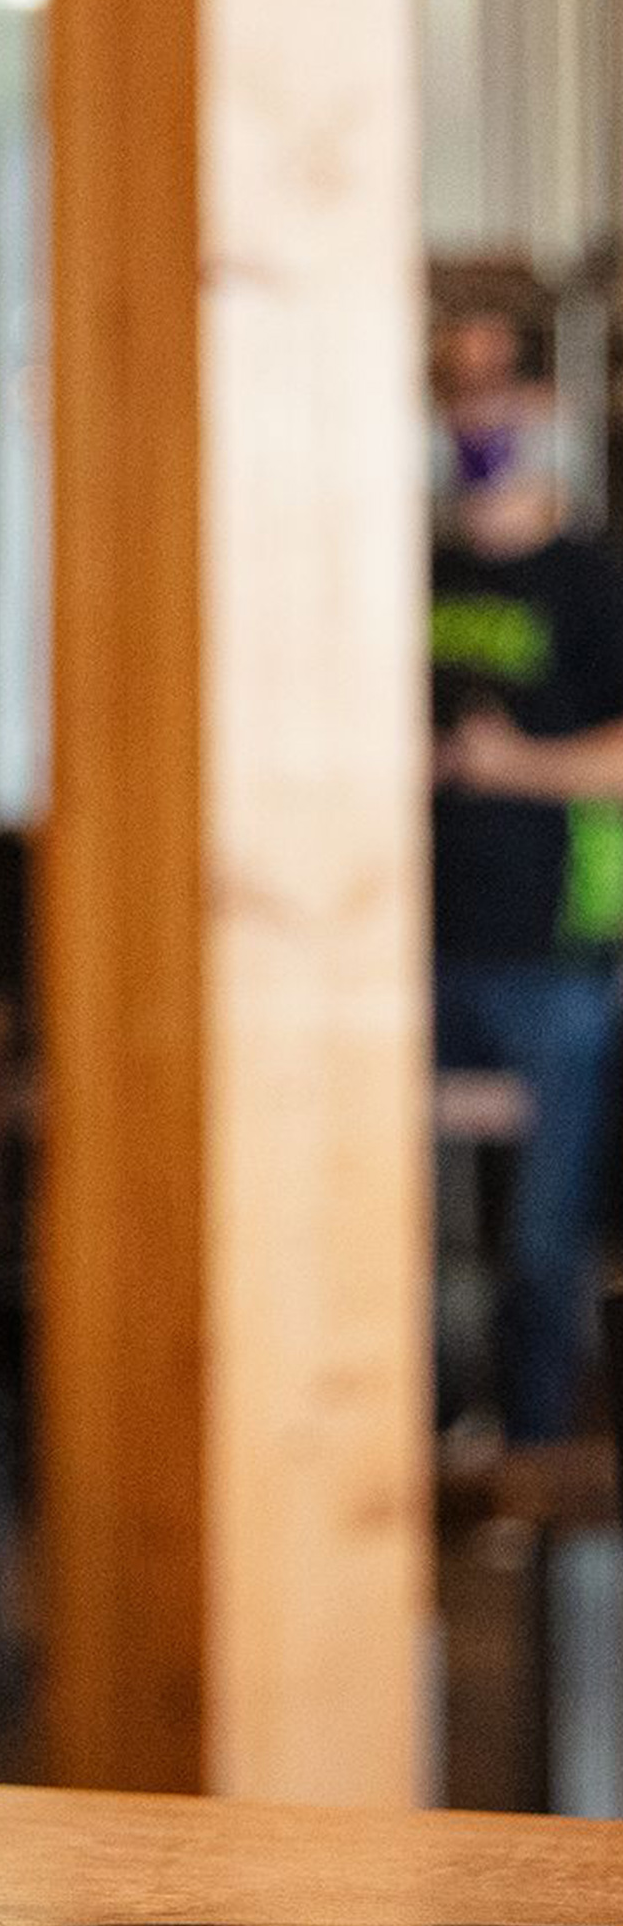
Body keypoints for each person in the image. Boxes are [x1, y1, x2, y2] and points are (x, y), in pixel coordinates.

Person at [429, 308, 623, 1444]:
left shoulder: (590, 579)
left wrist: (508, 762)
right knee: (389, 1227)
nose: (479, 410)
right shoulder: (416, 570)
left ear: (544, 405)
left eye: (500, 385)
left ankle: (534, 1477)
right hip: (408, 947)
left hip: (553, 957)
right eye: (460, 385)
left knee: (541, 1247)